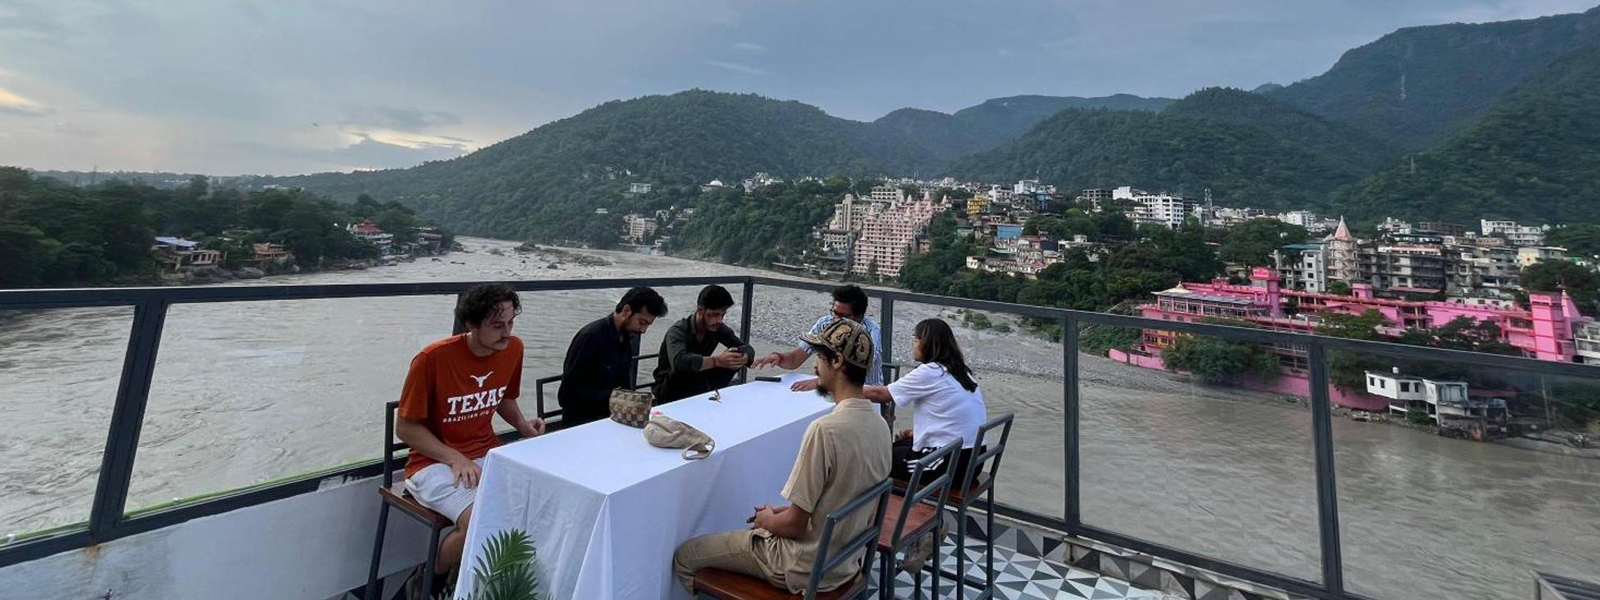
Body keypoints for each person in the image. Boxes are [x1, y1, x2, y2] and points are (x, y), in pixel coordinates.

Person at [673, 318, 891, 595]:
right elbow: (838, 500)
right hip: (844, 563)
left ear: (836, 361)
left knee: (686, 555)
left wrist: (766, 519)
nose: (814, 366)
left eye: (819, 357)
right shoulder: (880, 425)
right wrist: (784, 511)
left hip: (800, 564)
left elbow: (794, 526)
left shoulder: (825, 430)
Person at [395, 283, 545, 581]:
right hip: (430, 462)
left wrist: (523, 426)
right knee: (481, 517)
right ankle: (429, 577)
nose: (506, 331)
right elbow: (405, 427)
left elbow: (502, 396)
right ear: (471, 324)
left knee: (540, 500)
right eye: (497, 325)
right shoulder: (432, 358)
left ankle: (476, 578)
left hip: (485, 452)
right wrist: (454, 458)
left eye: (511, 322)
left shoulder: (513, 348)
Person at [863, 318, 987, 485]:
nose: (913, 345)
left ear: (926, 343)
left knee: (873, 460)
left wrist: (839, 386)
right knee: (895, 447)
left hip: (950, 464)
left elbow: (881, 394)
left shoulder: (931, 371)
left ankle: (877, 507)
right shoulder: (960, 370)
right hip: (972, 459)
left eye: (915, 340)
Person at [559, 286, 667, 425]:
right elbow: (566, 396)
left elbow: (625, 386)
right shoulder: (590, 338)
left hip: (613, 420)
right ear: (626, 311)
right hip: (584, 424)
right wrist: (614, 396)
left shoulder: (626, 339)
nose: (643, 330)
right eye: (641, 323)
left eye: (647, 325)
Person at [751, 284, 883, 392]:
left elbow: (860, 367)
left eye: (842, 316)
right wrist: (779, 358)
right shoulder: (825, 323)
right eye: (834, 313)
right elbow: (796, 358)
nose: (836, 320)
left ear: (859, 316)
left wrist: (821, 381)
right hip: (832, 392)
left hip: (867, 393)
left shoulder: (871, 330)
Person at [651, 285, 754, 403]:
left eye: (722, 315)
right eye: (715, 314)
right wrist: (716, 361)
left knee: (734, 355)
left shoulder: (717, 328)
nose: (720, 320)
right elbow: (679, 363)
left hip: (697, 381)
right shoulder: (678, 330)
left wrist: (743, 357)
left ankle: (708, 397)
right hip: (669, 388)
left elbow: (746, 348)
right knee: (684, 367)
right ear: (700, 310)